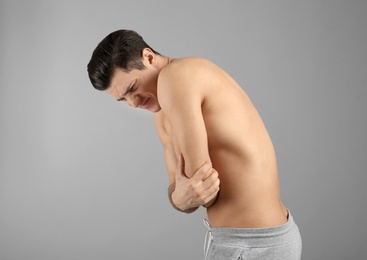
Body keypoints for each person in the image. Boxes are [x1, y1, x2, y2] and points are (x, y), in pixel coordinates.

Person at [87, 29, 302, 260]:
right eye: (122, 99)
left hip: (252, 245)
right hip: (238, 240)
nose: (133, 103)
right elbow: (184, 193)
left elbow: (204, 192)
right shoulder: (162, 114)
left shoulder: (177, 75)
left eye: (132, 89)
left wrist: (184, 194)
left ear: (148, 57)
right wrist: (179, 197)